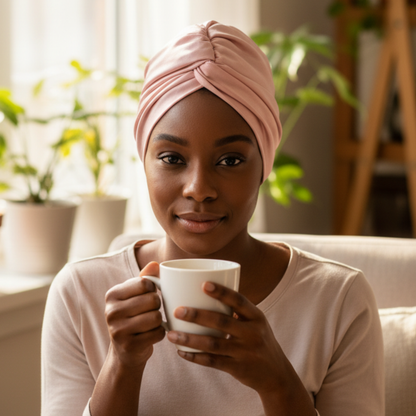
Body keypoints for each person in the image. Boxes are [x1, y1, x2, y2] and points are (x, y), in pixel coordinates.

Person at [41, 21, 384, 416]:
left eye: (230, 160)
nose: (198, 188)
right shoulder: (80, 294)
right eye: (172, 158)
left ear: (264, 165)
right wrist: (122, 365)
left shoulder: (339, 301)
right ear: (144, 163)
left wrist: (277, 381)